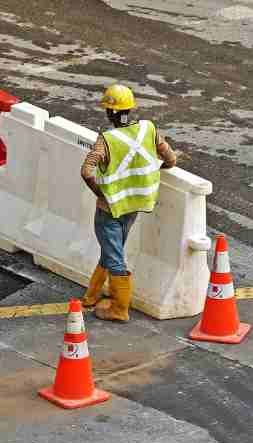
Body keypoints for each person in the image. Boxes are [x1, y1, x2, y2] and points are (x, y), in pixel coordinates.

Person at [79, 84, 178, 322]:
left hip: (110, 208)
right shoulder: (148, 128)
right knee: (112, 249)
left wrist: (100, 194)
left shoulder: (107, 139)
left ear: (109, 113)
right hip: (135, 204)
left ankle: (119, 308)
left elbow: (86, 171)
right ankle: (92, 295)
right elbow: (171, 159)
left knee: (114, 256)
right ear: (130, 109)